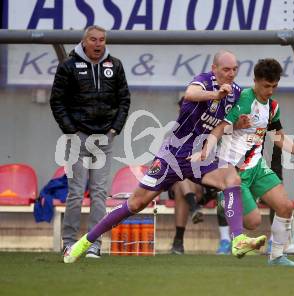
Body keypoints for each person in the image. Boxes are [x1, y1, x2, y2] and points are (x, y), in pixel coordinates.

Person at [63, 50, 266, 263]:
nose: (231, 73)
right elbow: (190, 94)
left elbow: (220, 127)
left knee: (231, 179)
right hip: (173, 155)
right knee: (135, 204)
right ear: (214, 69)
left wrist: (237, 125)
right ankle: (84, 243)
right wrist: (215, 95)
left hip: (199, 157)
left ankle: (237, 240)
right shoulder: (204, 82)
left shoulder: (235, 92)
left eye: (235, 69)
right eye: (226, 69)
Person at [192, 58, 294, 266]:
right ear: (255, 81)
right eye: (266, 86)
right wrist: (207, 148)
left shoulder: (272, 106)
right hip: (234, 170)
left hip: (257, 166)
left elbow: (279, 138)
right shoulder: (245, 99)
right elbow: (221, 126)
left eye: (274, 86)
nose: (270, 91)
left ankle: (278, 257)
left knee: (285, 207)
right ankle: (224, 200)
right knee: (253, 223)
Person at [50, 25, 130, 258]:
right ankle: (69, 242)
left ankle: (94, 244)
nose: (98, 44)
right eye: (93, 39)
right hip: (78, 138)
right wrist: (71, 131)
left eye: (102, 40)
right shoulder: (68, 66)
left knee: (99, 193)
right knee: (75, 193)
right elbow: (57, 101)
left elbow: (124, 99)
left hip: (105, 138)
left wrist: (115, 129)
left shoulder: (114, 65)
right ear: (84, 42)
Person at [169, 180, 231, 255]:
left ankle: (225, 240)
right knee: (181, 183)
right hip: (188, 189)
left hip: (210, 185)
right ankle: (179, 240)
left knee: (223, 185)